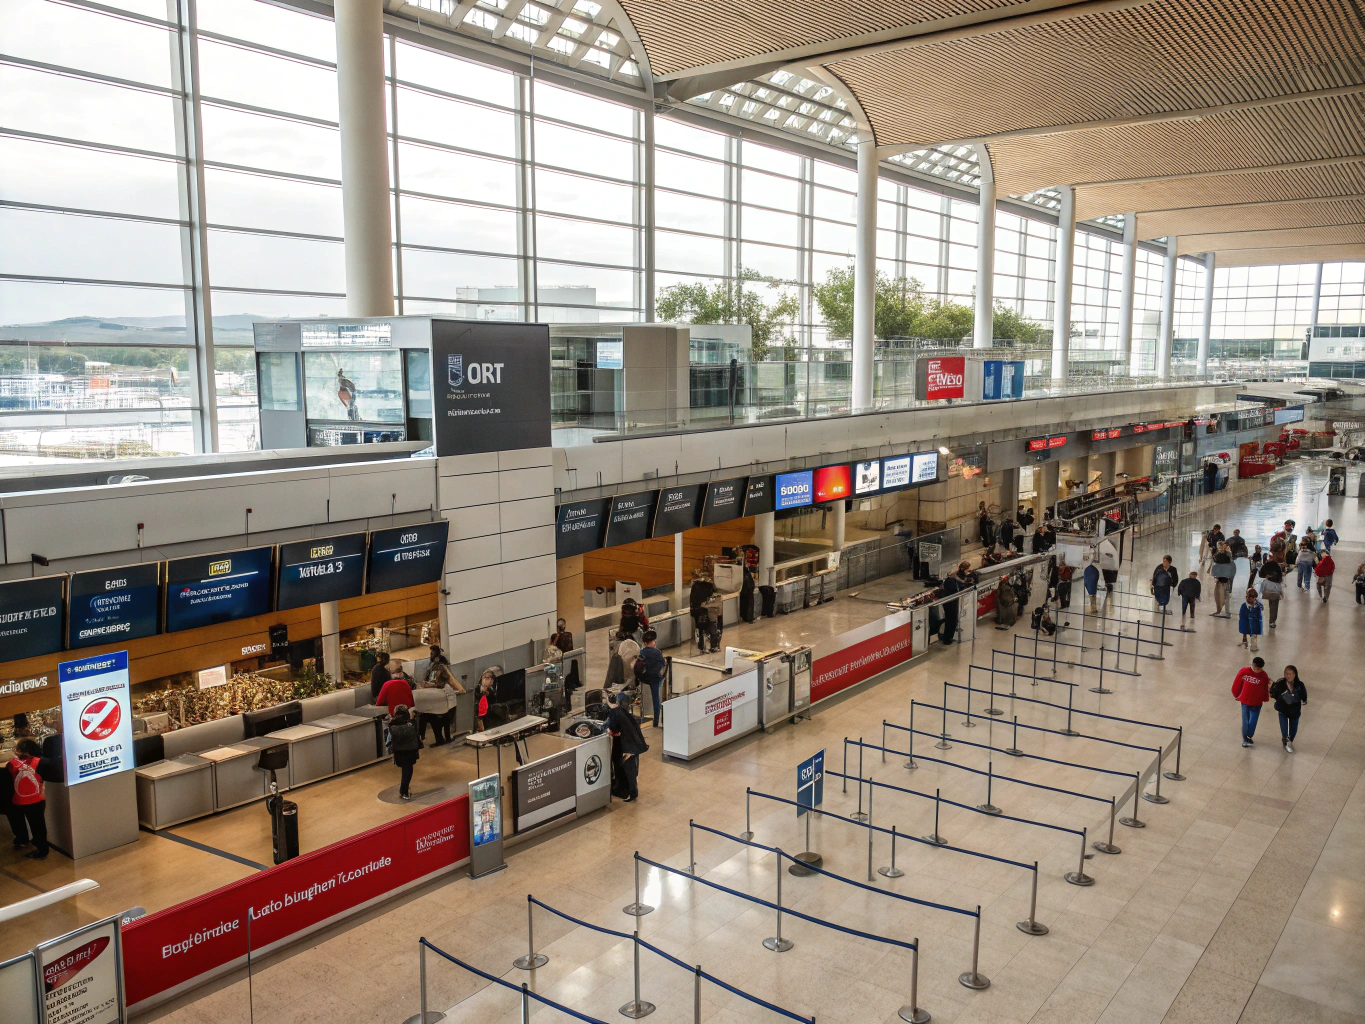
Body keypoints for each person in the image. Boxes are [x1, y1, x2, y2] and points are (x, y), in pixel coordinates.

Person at [7, 739, 55, 858]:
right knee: (38, 825)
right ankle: (42, 849)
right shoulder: (41, 761)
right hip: (36, 799)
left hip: (18, 799)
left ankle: (22, 839)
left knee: (18, 821)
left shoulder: (12, 763)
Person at [605, 690, 648, 802]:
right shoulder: (621, 710)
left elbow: (613, 728)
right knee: (631, 769)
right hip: (634, 743)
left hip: (628, 747)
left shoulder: (614, 712)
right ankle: (632, 791)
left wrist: (610, 729)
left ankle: (631, 793)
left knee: (628, 770)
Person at [1231, 657, 1271, 748]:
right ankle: (1248, 736)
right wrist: (1265, 698)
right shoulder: (1262, 675)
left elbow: (1237, 683)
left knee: (1248, 720)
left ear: (1254, 665)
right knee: (1250, 719)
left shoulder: (1247, 672)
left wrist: (1236, 694)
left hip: (1250, 701)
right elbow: (1265, 689)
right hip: (1252, 701)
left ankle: (1246, 737)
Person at [1269, 665, 1307, 753]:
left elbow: (1304, 695)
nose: (1288, 676)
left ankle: (1290, 740)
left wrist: (1304, 700)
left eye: (1290, 674)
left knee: (1293, 729)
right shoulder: (1280, 683)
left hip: (1295, 711)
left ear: (1294, 674)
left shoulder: (1299, 685)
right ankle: (1285, 739)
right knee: (1284, 728)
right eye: (1286, 674)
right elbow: (1273, 692)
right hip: (1283, 710)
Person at [387, 705, 421, 801]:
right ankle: (404, 791)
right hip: (410, 751)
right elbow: (417, 734)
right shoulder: (411, 724)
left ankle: (404, 789)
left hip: (398, 752)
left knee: (405, 770)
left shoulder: (392, 725)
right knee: (408, 771)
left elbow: (388, 740)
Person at [637, 630, 666, 727]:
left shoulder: (641, 652)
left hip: (644, 678)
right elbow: (663, 663)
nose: (655, 642)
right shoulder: (657, 652)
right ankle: (656, 721)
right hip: (655, 679)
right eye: (653, 641)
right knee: (656, 699)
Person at [688, 572, 716, 652]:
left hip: (696, 610)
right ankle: (711, 646)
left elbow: (691, 599)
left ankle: (701, 645)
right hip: (705, 610)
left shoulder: (695, 587)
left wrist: (692, 610)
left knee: (700, 628)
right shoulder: (708, 586)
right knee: (710, 627)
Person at [939, 564, 965, 644]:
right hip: (950, 604)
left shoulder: (953, 580)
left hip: (953, 602)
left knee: (952, 621)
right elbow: (952, 591)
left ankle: (950, 637)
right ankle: (947, 639)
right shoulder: (949, 581)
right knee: (950, 621)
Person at [1210, 543, 1235, 617]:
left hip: (1223, 580)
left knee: (1222, 595)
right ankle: (1224, 611)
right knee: (1225, 595)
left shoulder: (1222, 559)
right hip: (1224, 579)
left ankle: (1223, 612)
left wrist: (1217, 577)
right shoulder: (1228, 559)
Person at [1259, 558, 1284, 629]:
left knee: (1271, 604)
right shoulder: (1277, 570)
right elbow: (1279, 585)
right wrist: (1282, 594)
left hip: (1267, 592)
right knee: (1274, 606)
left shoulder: (1266, 580)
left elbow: (1261, 576)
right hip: (1275, 593)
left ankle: (1271, 619)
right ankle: (1272, 621)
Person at [1238, 588, 1264, 652]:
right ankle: (1247, 641)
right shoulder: (1246, 605)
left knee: (1253, 635)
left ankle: (1253, 646)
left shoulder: (1257, 605)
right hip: (1249, 622)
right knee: (1250, 633)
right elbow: (1242, 615)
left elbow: (1261, 609)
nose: (1248, 598)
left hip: (1253, 622)